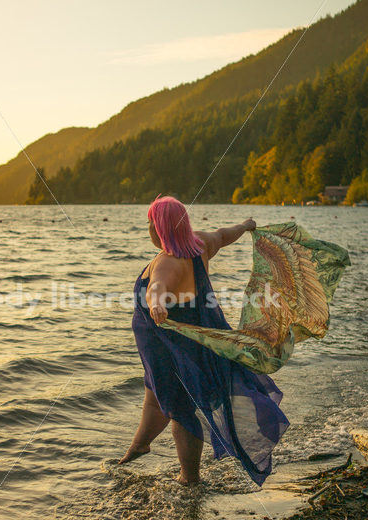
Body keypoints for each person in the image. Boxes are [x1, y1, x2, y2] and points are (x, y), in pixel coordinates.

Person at [119, 195, 289, 486]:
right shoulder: (199, 245)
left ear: (159, 229)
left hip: (172, 346)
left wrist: (157, 302)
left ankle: (190, 478)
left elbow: (157, 286)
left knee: (181, 409)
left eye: (150, 223)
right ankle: (140, 445)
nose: (148, 228)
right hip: (185, 342)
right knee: (155, 395)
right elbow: (224, 235)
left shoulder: (166, 262)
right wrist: (246, 225)